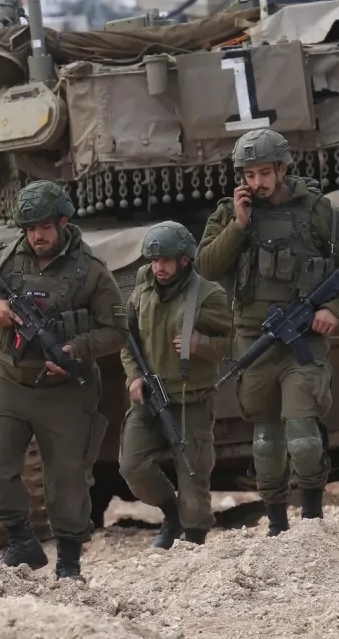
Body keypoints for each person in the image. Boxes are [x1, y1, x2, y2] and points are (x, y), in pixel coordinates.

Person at [194, 129, 339, 535]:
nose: (257, 183)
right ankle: (276, 523)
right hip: (254, 341)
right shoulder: (230, 214)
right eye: (249, 175)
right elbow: (206, 268)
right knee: (266, 443)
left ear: (282, 169)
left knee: (303, 438)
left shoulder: (318, 210)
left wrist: (333, 308)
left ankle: (312, 518)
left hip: (302, 341)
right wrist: (238, 226)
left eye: (264, 173)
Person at [0, 180, 129, 580]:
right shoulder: (5, 260)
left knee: (69, 478)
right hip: (10, 379)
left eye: (44, 227)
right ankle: (21, 539)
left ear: (63, 222)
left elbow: (117, 330)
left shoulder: (91, 271)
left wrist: (76, 348)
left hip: (65, 390)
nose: (37, 236)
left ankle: (69, 563)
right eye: (29, 228)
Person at [118, 221, 232, 549]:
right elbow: (127, 340)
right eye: (154, 261)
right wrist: (134, 376)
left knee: (193, 478)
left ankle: (193, 541)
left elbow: (236, 342)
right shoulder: (142, 291)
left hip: (191, 399)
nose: (159, 267)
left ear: (184, 259)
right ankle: (171, 514)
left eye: (166, 260)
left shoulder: (209, 295)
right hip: (150, 397)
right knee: (132, 466)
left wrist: (200, 344)